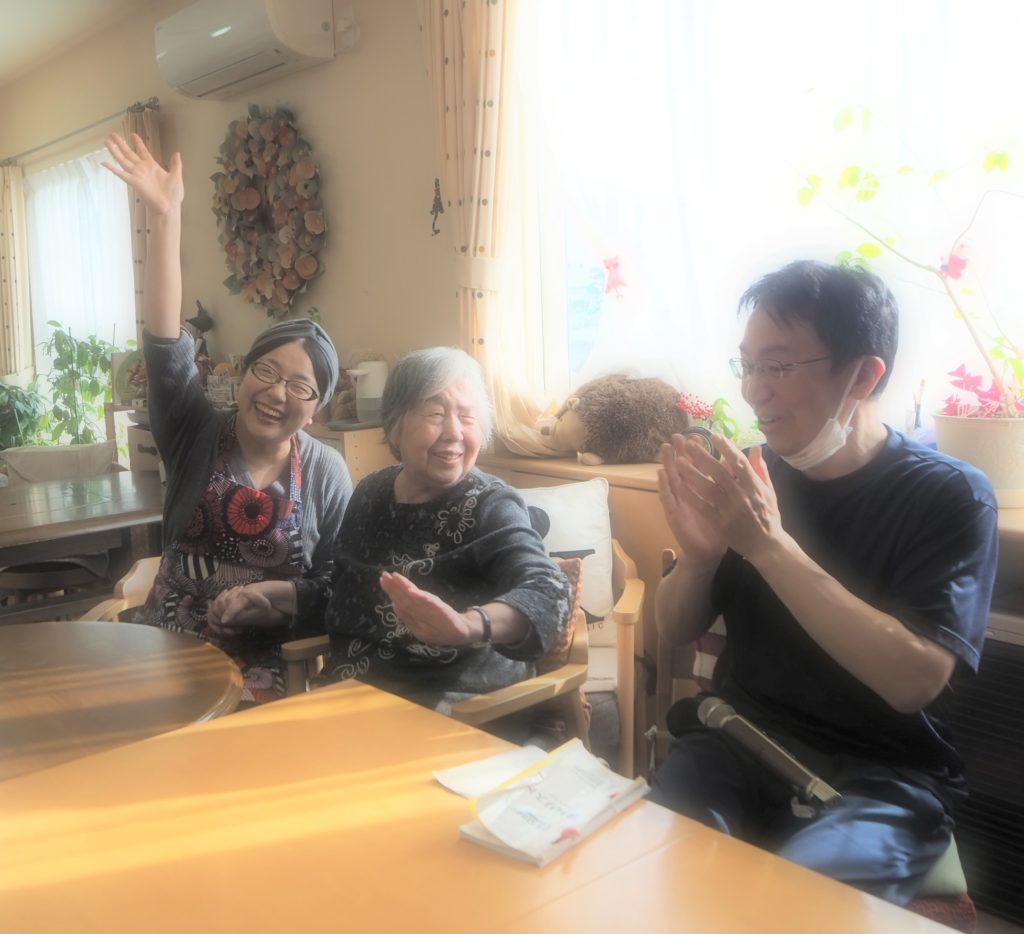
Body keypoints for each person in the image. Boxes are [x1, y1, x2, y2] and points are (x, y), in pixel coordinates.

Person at [650, 260, 998, 905]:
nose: (754, 392)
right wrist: (699, 560)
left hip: (884, 779)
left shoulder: (949, 496)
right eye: (747, 366)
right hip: (735, 741)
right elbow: (673, 628)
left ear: (863, 376)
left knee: (789, 907)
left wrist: (769, 546)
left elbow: (914, 680)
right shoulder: (755, 477)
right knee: (651, 871)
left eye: (778, 367)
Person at [103, 133, 352, 704]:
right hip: (165, 647)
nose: (277, 393)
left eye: (300, 387)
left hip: (270, 661)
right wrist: (166, 217)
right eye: (266, 371)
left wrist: (271, 603)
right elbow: (164, 343)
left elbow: (337, 582)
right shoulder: (194, 430)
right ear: (242, 374)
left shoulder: (326, 472)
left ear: (315, 409)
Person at [307, 346, 571, 715]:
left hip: (456, 711)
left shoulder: (490, 504)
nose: (454, 433)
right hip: (349, 698)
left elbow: (549, 590)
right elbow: (341, 591)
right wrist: (279, 599)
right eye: (435, 413)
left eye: (467, 416)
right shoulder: (369, 492)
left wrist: (470, 625)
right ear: (396, 424)